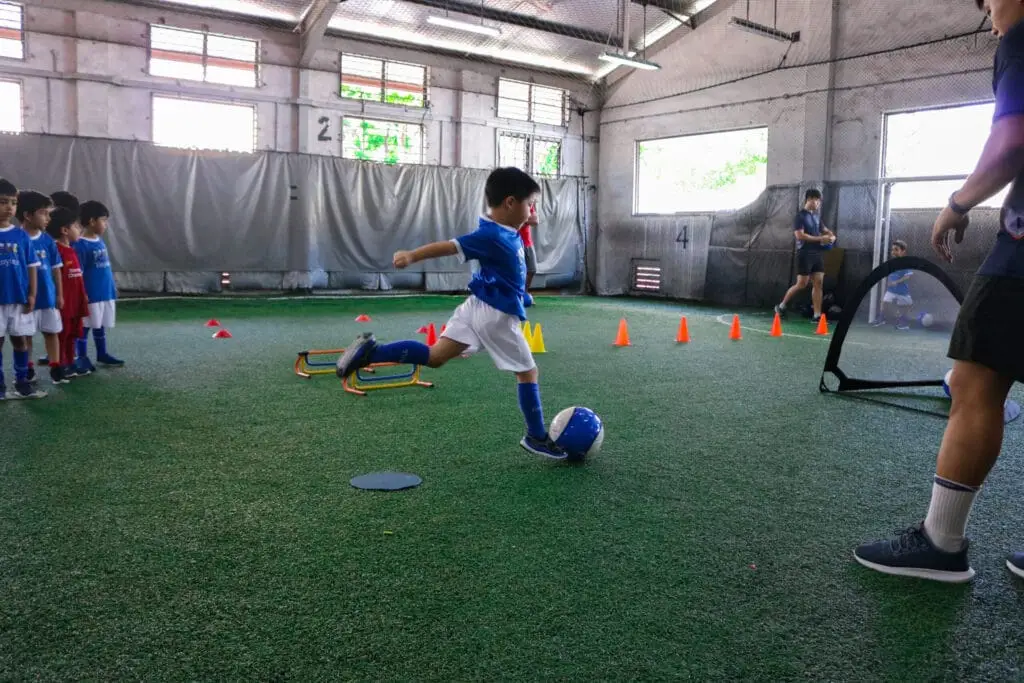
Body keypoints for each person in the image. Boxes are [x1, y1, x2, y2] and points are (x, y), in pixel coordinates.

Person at [854, 0, 1024, 582]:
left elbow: (1011, 142)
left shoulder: (1022, 40)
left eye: (989, 0)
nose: (988, 12)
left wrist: (957, 203)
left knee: (974, 380)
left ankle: (941, 542)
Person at [335, 167, 565, 459]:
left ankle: (372, 353)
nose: (532, 212)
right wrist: (412, 255)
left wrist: (521, 291)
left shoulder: (508, 230)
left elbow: (509, 267)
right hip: (495, 316)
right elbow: (450, 246)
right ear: (509, 202)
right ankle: (536, 436)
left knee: (435, 357)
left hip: (475, 308)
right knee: (528, 371)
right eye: (529, 204)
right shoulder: (491, 236)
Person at [0, 178, 46, 400]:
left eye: (13, 203)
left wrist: (32, 294)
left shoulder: (21, 236)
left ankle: (21, 382)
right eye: (3, 202)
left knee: (20, 341)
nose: (9, 207)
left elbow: (32, 267)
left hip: (18, 300)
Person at [16, 190, 66, 385]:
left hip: (48, 297)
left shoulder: (48, 241)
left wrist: (59, 295)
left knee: (51, 331)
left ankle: (56, 367)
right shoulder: (16, 239)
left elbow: (56, 271)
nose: (48, 218)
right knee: (25, 334)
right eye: (43, 213)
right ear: (28, 215)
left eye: (49, 213)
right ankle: (28, 368)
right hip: (26, 300)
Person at [74, 200, 124, 371]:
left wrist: (112, 287)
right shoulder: (80, 245)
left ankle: (102, 354)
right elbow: (78, 274)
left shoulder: (99, 240)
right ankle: (81, 357)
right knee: (85, 325)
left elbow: (105, 267)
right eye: (104, 220)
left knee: (100, 324)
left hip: (104, 292)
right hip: (91, 294)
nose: (106, 224)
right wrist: (82, 294)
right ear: (91, 221)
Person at [774, 189, 836, 322]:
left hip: (817, 254)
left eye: (819, 201)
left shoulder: (817, 216)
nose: (818, 203)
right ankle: (781, 306)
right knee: (802, 284)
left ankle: (817, 315)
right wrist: (820, 239)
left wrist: (831, 235)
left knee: (818, 283)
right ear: (809, 199)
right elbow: (800, 235)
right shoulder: (800, 216)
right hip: (805, 254)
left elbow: (825, 230)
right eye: (816, 200)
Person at [36, 191, 80, 368]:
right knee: (59, 331)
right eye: (75, 224)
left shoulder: (72, 247)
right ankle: (58, 361)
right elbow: (54, 274)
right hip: (57, 300)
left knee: (70, 331)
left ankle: (67, 360)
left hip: (70, 299)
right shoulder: (54, 247)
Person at [46, 208, 89, 380]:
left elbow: (78, 276)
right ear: (65, 230)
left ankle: (70, 363)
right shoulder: (56, 251)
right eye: (76, 226)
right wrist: (59, 297)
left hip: (77, 301)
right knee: (63, 334)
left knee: (73, 334)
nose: (80, 229)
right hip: (65, 303)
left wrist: (83, 295)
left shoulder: (72, 249)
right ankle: (61, 363)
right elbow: (55, 278)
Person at [872, 240, 913, 330]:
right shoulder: (892, 262)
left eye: (896, 250)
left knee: (908, 305)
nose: (893, 252)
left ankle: (903, 322)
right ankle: (881, 318)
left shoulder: (906, 262)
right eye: (892, 250)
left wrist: (896, 282)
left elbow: (908, 276)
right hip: (891, 290)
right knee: (885, 302)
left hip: (903, 291)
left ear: (903, 251)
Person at [519, 201, 538, 292]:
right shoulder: (514, 204)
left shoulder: (529, 205)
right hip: (513, 242)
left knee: (532, 269)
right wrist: (527, 219)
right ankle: (517, 295)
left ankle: (524, 292)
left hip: (527, 242)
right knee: (516, 271)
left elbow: (535, 221)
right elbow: (509, 222)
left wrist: (522, 219)